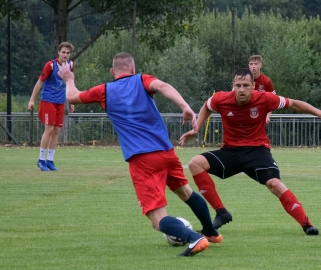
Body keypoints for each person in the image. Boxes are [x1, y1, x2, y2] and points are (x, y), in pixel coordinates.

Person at [57, 52, 222, 257]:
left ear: (112, 71)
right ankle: (211, 232)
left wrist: (69, 79)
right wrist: (185, 106)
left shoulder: (104, 91)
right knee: (185, 192)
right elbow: (163, 86)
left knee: (157, 219)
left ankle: (194, 238)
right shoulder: (143, 80)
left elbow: (72, 96)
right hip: (166, 153)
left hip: (143, 159)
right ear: (133, 69)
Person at [179, 68, 321, 236]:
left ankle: (307, 225)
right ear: (233, 86)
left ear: (253, 86)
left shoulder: (264, 98)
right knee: (195, 164)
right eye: (238, 85)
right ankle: (221, 212)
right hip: (231, 152)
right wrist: (196, 129)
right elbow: (207, 105)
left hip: (257, 151)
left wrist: (320, 113)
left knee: (275, 184)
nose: (241, 89)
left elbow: (294, 103)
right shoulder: (221, 98)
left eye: (245, 85)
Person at [28, 42, 75, 171]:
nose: (65, 55)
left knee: (56, 131)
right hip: (48, 100)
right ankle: (41, 160)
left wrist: (71, 101)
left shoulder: (70, 65)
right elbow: (40, 82)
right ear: (59, 52)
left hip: (60, 102)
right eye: (63, 52)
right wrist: (32, 99)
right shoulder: (50, 65)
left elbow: (69, 83)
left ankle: (50, 160)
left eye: (68, 53)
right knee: (49, 130)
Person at [248, 55, 275, 123]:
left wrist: (268, 115)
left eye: (256, 64)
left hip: (261, 116)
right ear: (249, 66)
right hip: (246, 114)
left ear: (260, 65)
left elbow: (273, 99)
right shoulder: (243, 80)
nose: (253, 66)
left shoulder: (266, 81)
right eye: (251, 64)